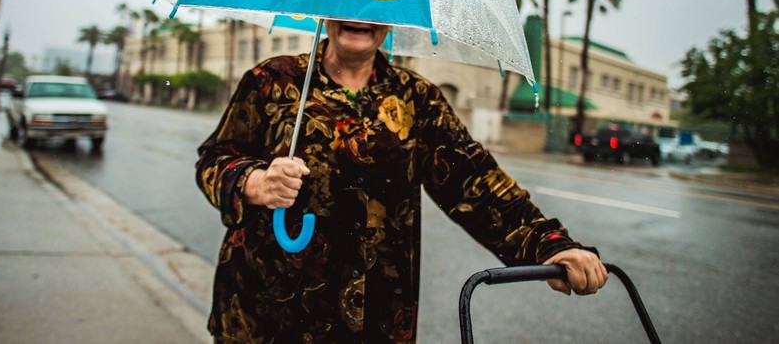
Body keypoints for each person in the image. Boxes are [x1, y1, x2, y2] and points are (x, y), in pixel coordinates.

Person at [196, 20, 607, 342]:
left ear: (392, 19)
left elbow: (475, 184)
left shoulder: (418, 99)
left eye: (376, 1)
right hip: (264, 316)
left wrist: (549, 245)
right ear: (323, 8)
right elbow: (214, 160)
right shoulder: (272, 81)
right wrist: (254, 182)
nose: (360, 14)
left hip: (375, 320)